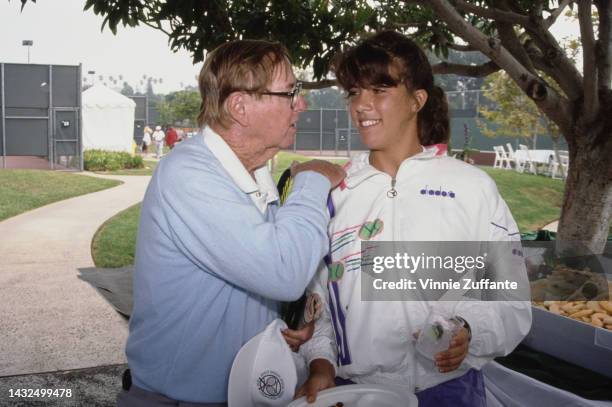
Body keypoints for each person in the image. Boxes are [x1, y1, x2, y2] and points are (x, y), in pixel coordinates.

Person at [290, 31, 532, 406]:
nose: (361, 105)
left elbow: (510, 297)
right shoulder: (334, 196)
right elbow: (321, 309)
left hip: (450, 391)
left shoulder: (472, 188)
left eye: (380, 90)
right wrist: (321, 366)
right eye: (354, 92)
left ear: (417, 100)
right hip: (355, 393)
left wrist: (470, 330)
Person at [118, 39, 345, 406]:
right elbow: (283, 271)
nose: (301, 104)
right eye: (290, 92)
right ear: (240, 106)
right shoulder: (190, 175)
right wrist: (312, 181)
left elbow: (245, 274)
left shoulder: (251, 172)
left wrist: (271, 329)